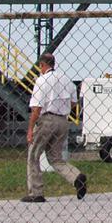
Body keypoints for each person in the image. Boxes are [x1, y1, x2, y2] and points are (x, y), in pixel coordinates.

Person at [22, 53, 86, 203]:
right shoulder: (66, 80)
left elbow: (36, 108)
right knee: (56, 157)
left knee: (33, 155)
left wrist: (30, 129)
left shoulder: (41, 81)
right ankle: (76, 177)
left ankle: (36, 193)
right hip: (63, 121)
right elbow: (73, 103)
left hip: (47, 119)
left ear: (42, 65)